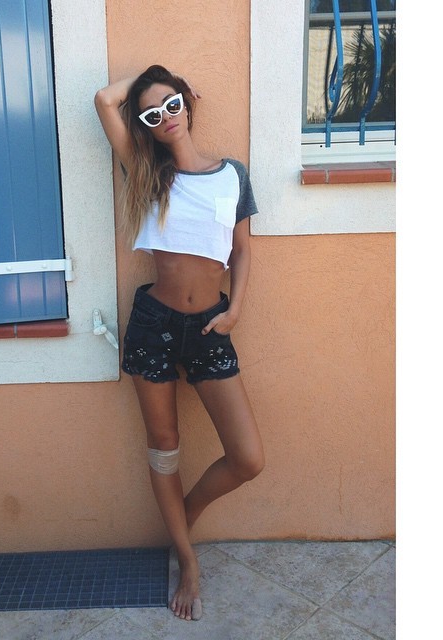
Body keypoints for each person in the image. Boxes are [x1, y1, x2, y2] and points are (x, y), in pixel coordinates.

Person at [94, 65, 265, 622]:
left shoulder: (232, 174)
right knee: (164, 446)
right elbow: (104, 100)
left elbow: (242, 250)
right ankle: (187, 561)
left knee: (247, 458)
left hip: (211, 326)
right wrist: (151, 79)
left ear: (188, 102)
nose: (165, 117)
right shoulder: (148, 173)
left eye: (172, 104)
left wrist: (235, 310)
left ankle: (179, 524)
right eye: (151, 114)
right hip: (155, 325)